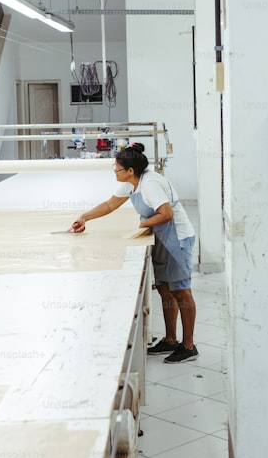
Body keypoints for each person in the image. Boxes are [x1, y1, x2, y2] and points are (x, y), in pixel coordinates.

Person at [71, 143, 199, 364]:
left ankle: (188, 346)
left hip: (177, 238)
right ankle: (170, 339)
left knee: (181, 291)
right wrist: (84, 217)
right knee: (164, 288)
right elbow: (111, 204)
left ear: (130, 170)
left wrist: (143, 225)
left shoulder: (150, 184)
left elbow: (166, 214)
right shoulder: (132, 182)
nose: (115, 171)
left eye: (117, 168)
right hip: (161, 236)